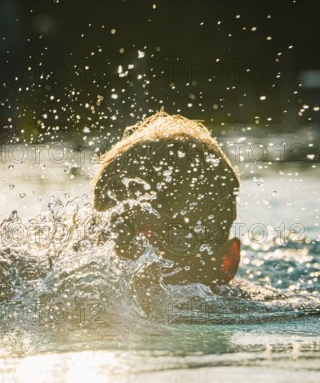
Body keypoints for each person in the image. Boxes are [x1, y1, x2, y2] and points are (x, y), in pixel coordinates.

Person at [93, 110, 240, 289]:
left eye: (176, 239)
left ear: (226, 263)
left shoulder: (257, 314)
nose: (142, 263)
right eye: (121, 233)